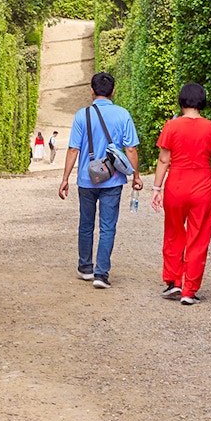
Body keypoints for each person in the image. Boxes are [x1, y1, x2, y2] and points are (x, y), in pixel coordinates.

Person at [58, 72, 142, 289]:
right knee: (107, 227)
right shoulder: (123, 114)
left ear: (91, 91)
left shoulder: (81, 115)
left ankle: (85, 267)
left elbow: (73, 149)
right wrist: (136, 176)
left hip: (87, 178)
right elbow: (131, 148)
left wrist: (65, 178)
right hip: (113, 179)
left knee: (86, 224)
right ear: (113, 91)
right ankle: (101, 274)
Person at [150, 83, 211, 306]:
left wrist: (156, 188)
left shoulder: (171, 127)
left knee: (174, 232)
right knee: (198, 237)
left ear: (181, 101)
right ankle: (189, 290)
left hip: (176, 185)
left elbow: (164, 160)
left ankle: (173, 280)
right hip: (202, 186)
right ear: (202, 102)